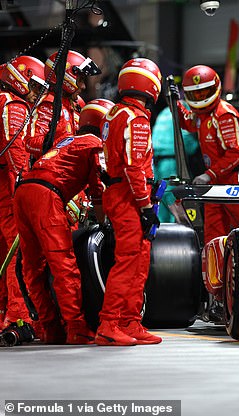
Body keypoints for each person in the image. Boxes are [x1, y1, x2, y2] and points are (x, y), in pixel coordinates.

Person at [13, 98, 113, 344]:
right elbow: (97, 191)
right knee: (63, 264)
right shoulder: (95, 144)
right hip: (47, 196)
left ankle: (49, 328)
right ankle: (76, 327)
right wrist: (106, 228)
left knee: (32, 267)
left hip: (23, 191)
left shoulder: (66, 140)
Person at [96, 58, 163, 346]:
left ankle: (130, 322)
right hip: (129, 196)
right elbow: (134, 167)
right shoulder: (135, 118)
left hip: (120, 192)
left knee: (139, 259)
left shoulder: (113, 114)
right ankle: (109, 324)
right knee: (128, 261)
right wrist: (146, 206)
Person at [172, 64, 239, 244]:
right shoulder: (201, 116)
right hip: (213, 184)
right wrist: (174, 102)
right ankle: (215, 272)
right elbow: (186, 123)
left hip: (235, 184)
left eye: (204, 93)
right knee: (213, 235)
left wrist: (208, 174)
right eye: (195, 95)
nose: (200, 99)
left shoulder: (224, 115)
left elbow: (237, 154)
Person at [0, 56, 48, 330]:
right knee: (16, 251)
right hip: (7, 185)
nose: (35, 92)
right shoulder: (13, 104)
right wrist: (23, 179)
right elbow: (15, 146)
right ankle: (17, 314)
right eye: (33, 84)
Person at [26, 50, 100, 159]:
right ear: (67, 77)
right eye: (80, 80)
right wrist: (60, 143)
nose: (83, 86)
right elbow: (30, 143)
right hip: (53, 171)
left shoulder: (77, 104)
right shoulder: (49, 103)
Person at [151, 105, 200, 222]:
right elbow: (188, 143)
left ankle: (161, 234)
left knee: (159, 199)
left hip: (155, 162)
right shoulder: (186, 110)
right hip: (170, 162)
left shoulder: (165, 110)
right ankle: (177, 235)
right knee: (174, 200)